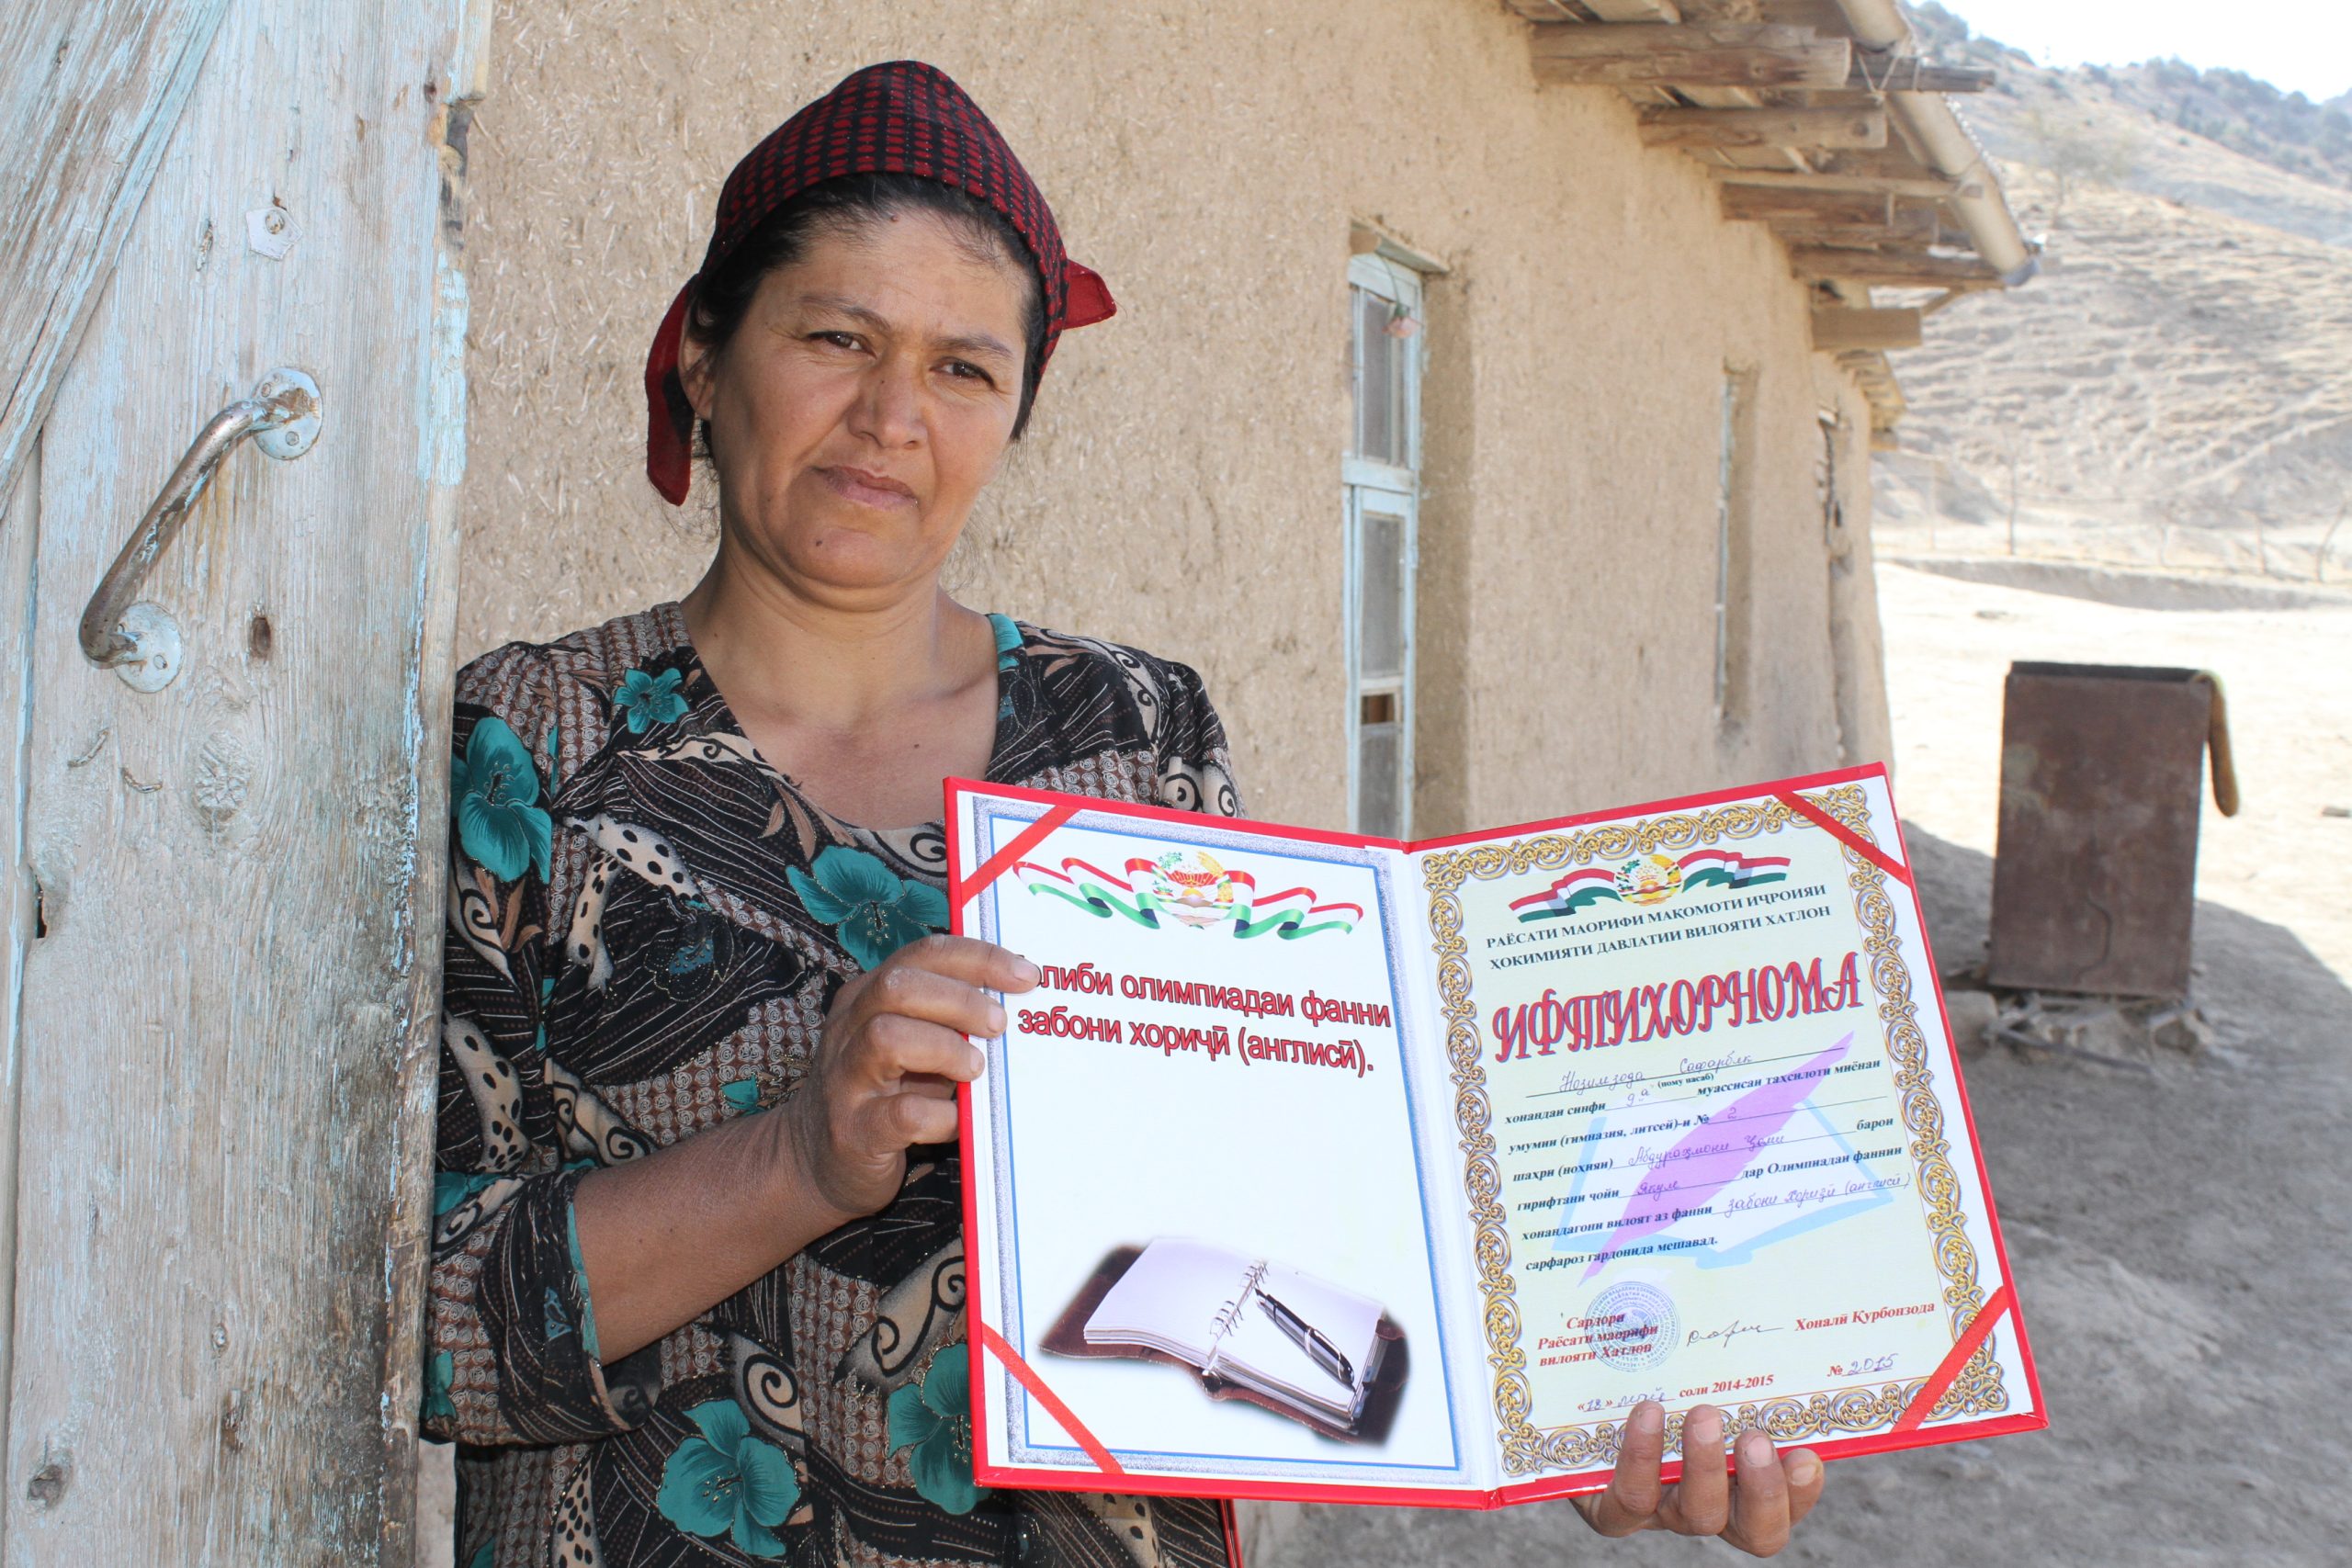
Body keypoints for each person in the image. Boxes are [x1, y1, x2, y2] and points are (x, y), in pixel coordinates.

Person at [424, 61, 1823, 1568]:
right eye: (836, 337)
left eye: (965, 369)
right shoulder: (533, 749)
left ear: (1018, 411)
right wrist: (798, 1160)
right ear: (705, 356)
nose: (892, 416)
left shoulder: (1136, 735)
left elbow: (1293, 1208)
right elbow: (424, 1331)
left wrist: (1562, 1405)